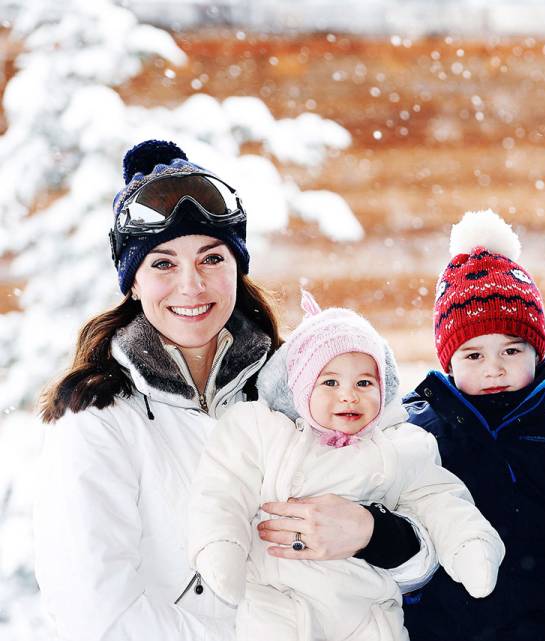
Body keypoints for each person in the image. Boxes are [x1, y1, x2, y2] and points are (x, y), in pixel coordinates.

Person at [33, 140, 435, 640]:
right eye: (162, 263)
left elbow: (422, 550)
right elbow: (93, 610)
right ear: (132, 282)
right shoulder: (98, 417)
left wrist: (377, 535)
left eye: (211, 258)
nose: (191, 286)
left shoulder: (299, 386)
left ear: (236, 266)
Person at [188, 291, 504, 640]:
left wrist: (468, 543)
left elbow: (441, 500)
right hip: (278, 609)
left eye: (364, 383)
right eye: (330, 382)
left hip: (367, 615)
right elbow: (222, 489)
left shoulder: (399, 446)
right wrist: (221, 545)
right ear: (302, 388)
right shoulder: (266, 432)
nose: (349, 395)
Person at [402, 210, 545, 641]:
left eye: (511, 351)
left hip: (527, 627)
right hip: (431, 627)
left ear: (536, 350)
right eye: (473, 355)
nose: (494, 369)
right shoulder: (418, 429)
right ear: (449, 362)